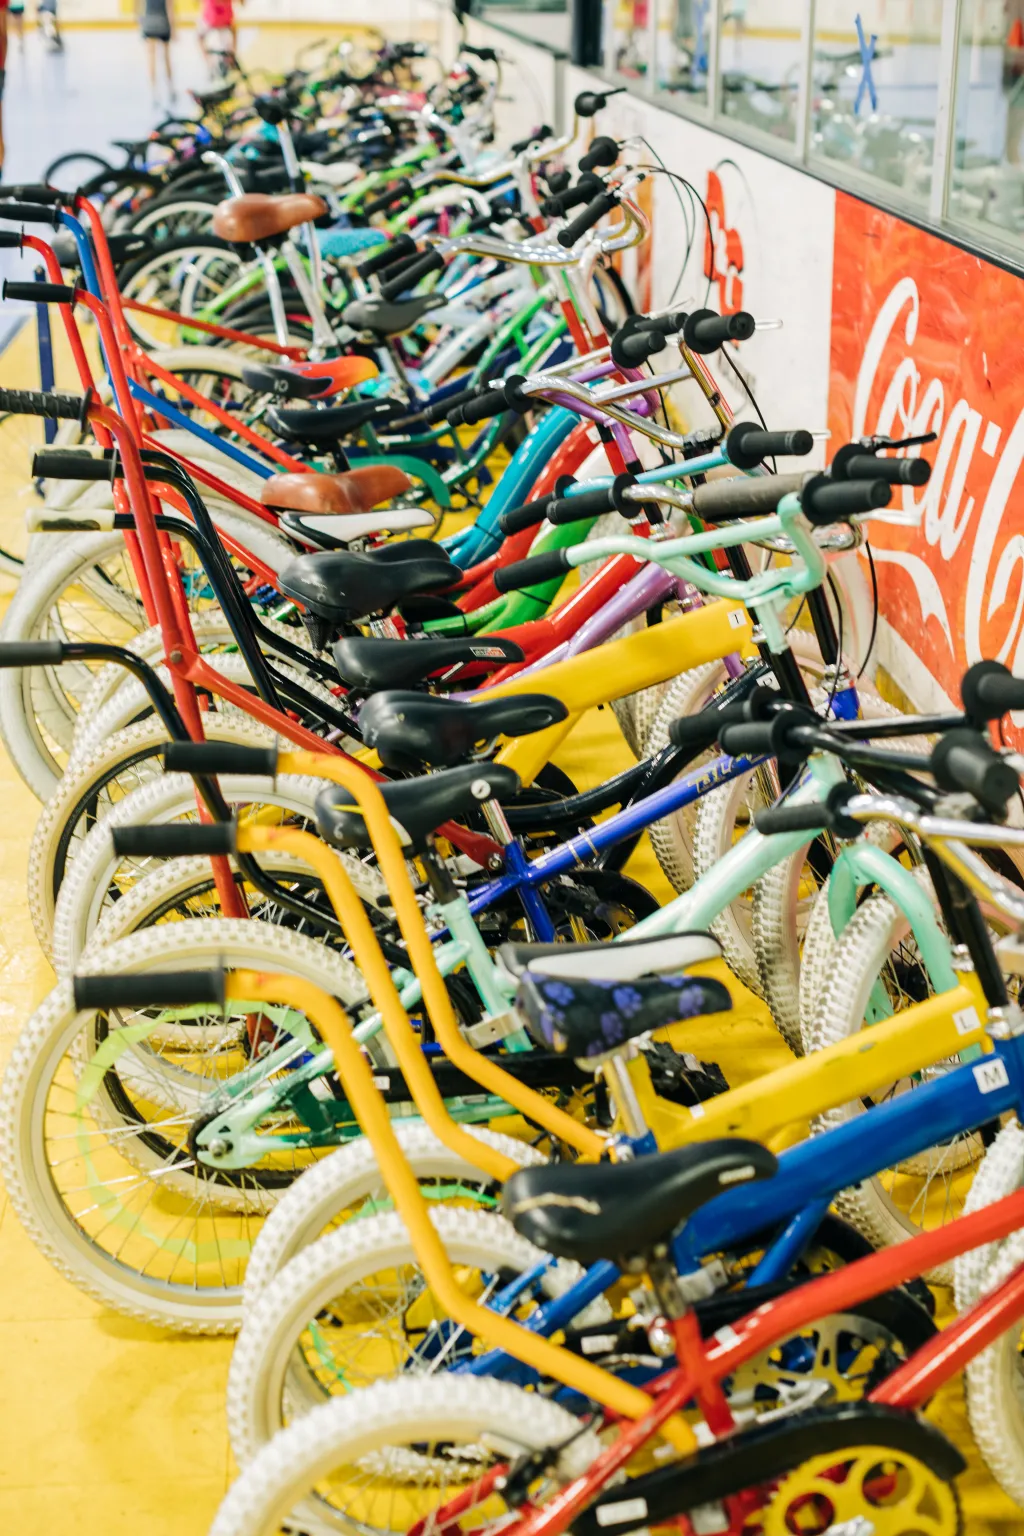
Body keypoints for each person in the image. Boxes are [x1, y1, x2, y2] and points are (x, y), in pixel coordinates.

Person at [139, 0, 174, 105]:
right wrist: (173, 29)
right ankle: (170, 89)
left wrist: (142, 23)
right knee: (166, 57)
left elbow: (140, 7)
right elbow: (170, 9)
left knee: (151, 59)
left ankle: (154, 92)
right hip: (163, 23)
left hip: (149, 23)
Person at [197, 0, 240, 73]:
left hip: (211, 21)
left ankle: (207, 60)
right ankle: (233, 54)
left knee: (199, 37)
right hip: (226, 21)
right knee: (234, 31)